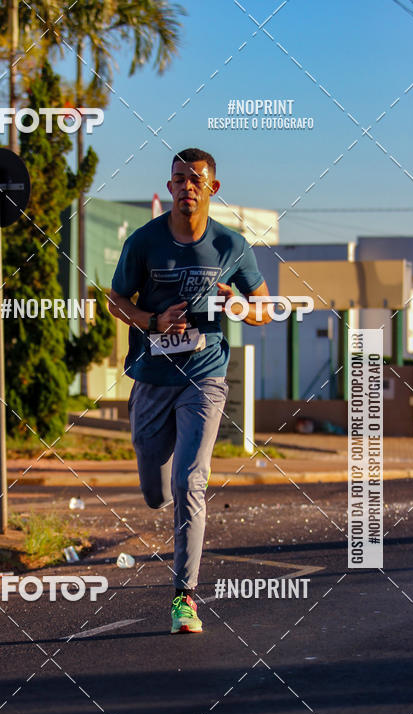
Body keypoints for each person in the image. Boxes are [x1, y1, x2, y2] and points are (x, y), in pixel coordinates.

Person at [108, 147, 271, 634]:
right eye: (178, 179)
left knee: (189, 482)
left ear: (212, 188)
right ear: (171, 185)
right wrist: (150, 320)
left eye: (195, 179)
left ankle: (185, 597)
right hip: (152, 379)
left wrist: (238, 307)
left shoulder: (231, 246)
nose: (186, 187)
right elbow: (116, 299)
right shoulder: (144, 241)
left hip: (205, 376)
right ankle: (159, 489)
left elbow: (266, 307)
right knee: (157, 491)